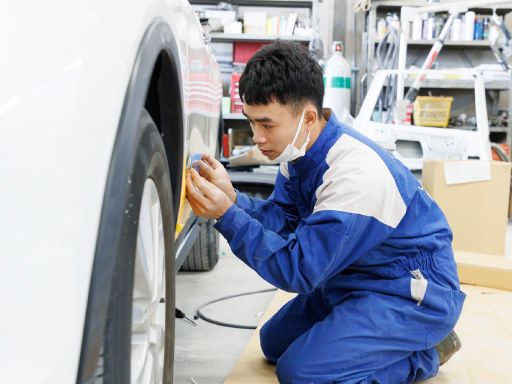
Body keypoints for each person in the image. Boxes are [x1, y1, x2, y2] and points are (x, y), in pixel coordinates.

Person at [185, 40, 465, 384]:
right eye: (251, 121)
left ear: (309, 117)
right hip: (353, 277)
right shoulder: (299, 152)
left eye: (267, 125)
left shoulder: (354, 177)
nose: (257, 138)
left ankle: (426, 354)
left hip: (409, 295)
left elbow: (300, 271)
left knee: (301, 373)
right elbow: (285, 223)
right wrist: (234, 200)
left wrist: (228, 216)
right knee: (272, 343)